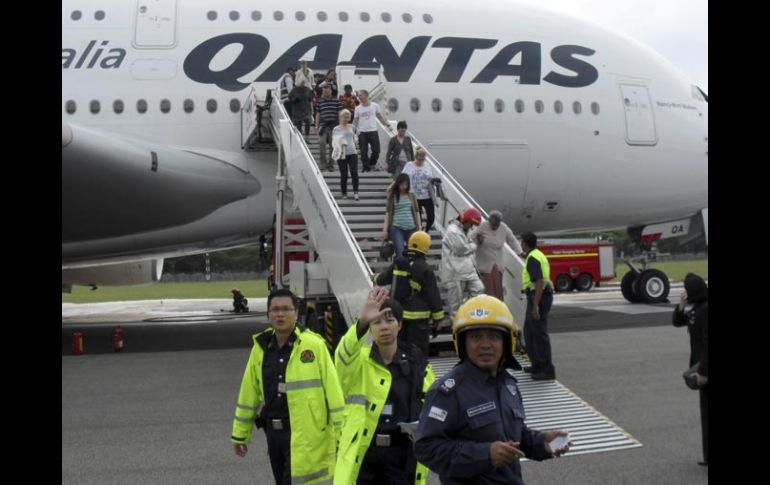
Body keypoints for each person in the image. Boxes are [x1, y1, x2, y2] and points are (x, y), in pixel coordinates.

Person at [414, 295, 571, 484]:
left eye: (494, 337)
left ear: (507, 342)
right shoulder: (447, 392)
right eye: (476, 337)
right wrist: (485, 455)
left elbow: (513, 436)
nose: (485, 345)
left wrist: (541, 442)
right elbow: (426, 448)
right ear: (462, 342)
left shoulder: (508, 385)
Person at [231, 289, 345, 485]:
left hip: (304, 433)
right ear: (268, 314)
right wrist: (240, 433)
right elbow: (249, 392)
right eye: (275, 309)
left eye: (286, 309)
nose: (280, 314)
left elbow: (334, 393)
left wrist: (342, 436)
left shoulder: (314, 346)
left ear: (296, 313)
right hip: (274, 434)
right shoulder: (261, 347)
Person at [334, 287, 436, 485]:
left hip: (401, 455)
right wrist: (361, 322)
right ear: (370, 329)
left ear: (400, 325)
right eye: (377, 322)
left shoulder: (417, 364)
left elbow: (431, 405)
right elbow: (341, 359)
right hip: (366, 454)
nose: (384, 327)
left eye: (390, 320)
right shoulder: (358, 360)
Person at [373, 231, 445, 355]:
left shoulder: (399, 262)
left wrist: (374, 278)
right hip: (419, 321)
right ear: (425, 247)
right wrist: (439, 318)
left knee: (399, 350)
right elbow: (432, 295)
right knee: (418, 352)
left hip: (398, 316)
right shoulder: (425, 268)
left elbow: (382, 279)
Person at [672, 273, 708, 466]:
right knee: (705, 413)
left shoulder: (706, 310)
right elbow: (677, 322)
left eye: (686, 288)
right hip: (700, 365)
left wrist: (703, 372)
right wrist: (681, 305)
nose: (684, 291)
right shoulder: (697, 309)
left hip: (705, 368)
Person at [520, 232, 555, 380]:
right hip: (539, 296)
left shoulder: (533, 258)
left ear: (525, 244)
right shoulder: (536, 254)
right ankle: (536, 365)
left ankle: (547, 370)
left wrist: (535, 306)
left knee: (539, 334)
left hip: (538, 297)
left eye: (521, 242)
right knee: (529, 331)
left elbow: (539, 281)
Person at [440, 208, 485, 319]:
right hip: (453, 272)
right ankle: (457, 327)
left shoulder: (462, 231)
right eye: (471, 224)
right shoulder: (453, 231)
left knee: (479, 289)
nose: (471, 227)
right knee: (455, 304)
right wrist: (475, 244)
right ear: (465, 220)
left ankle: (467, 311)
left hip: (466, 269)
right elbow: (461, 250)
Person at [469, 210, 523, 300]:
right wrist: (478, 241)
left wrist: (520, 251)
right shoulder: (482, 226)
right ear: (489, 221)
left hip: (497, 265)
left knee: (498, 290)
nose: (494, 227)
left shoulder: (503, 227)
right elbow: (469, 239)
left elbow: (512, 240)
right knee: (487, 292)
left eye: (496, 225)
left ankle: (498, 309)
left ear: (499, 223)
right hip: (484, 265)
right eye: (492, 225)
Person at [383, 173, 421, 258]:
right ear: (398, 183)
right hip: (397, 227)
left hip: (411, 227)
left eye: (406, 184)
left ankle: (410, 270)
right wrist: (385, 229)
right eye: (402, 184)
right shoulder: (392, 196)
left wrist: (419, 226)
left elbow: (416, 211)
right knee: (400, 254)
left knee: (413, 253)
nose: (404, 186)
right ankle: (401, 268)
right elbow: (387, 213)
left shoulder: (411, 196)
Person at [401, 148, 435, 232]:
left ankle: (426, 231)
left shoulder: (427, 165)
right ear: (416, 157)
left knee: (431, 217)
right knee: (417, 218)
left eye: (423, 159)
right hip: (415, 196)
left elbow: (430, 178)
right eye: (419, 159)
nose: (420, 161)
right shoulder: (409, 165)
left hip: (427, 195)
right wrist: (393, 186)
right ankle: (419, 234)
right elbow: (401, 178)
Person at [353, 89, 389, 172]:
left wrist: (386, 124)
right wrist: (352, 129)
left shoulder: (375, 106)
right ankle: (366, 168)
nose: (358, 97)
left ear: (366, 95)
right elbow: (355, 120)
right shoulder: (357, 108)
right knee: (363, 151)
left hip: (373, 131)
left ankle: (371, 163)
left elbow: (379, 116)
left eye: (360, 95)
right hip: (362, 132)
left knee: (377, 150)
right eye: (358, 96)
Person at [333, 109, 360, 200]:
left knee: (354, 172)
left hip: (352, 152)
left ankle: (356, 192)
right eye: (345, 116)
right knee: (344, 174)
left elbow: (357, 133)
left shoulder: (352, 126)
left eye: (348, 116)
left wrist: (355, 139)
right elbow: (335, 141)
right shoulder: (336, 128)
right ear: (341, 117)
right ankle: (344, 193)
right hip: (342, 154)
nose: (347, 118)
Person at [315, 85, 344, 171]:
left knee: (333, 146)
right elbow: (318, 114)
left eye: (327, 91)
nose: (326, 93)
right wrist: (316, 126)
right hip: (323, 127)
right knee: (321, 144)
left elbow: (340, 113)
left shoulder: (336, 101)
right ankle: (323, 164)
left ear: (331, 91)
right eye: (324, 92)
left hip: (334, 127)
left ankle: (331, 165)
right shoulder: (320, 102)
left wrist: (340, 126)